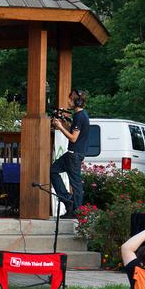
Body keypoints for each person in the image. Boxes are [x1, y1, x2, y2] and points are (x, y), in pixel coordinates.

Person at [51, 89, 89, 217]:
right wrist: (64, 123)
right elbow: (74, 131)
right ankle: (68, 201)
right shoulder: (79, 116)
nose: (68, 101)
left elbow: (73, 138)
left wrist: (60, 127)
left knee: (76, 183)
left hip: (74, 154)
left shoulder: (80, 116)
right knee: (53, 170)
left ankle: (77, 211)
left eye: (70, 99)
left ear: (77, 102)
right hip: (73, 153)